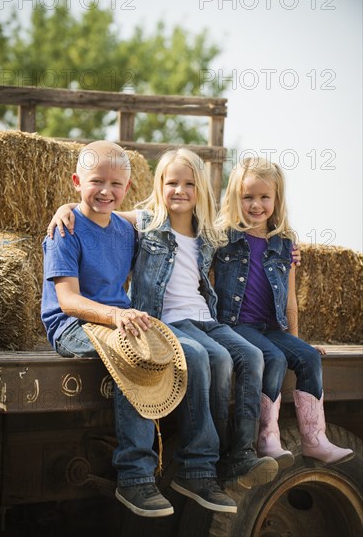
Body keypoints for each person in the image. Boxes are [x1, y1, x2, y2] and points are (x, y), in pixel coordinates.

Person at [48, 147, 280, 492]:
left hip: (189, 318)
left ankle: (237, 456)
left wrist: (286, 245)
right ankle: (165, 471)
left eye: (189, 184)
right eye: (172, 183)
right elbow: (97, 218)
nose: (180, 190)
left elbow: (251, 232)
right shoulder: (142, 224)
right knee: (198, 357)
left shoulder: (205, 234)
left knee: (252, 356)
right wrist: (66, 207)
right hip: (147, 320)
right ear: (159, 186)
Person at [214, 156, 354, 466]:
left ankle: (315, 438)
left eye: (264, 197)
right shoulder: (222, 238)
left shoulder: (284, 243)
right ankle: (268, 436)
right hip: (237, 326)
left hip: (272, 327)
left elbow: (290, 300)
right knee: (273, 357)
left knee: (308, 357)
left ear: (277, 199)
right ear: (235, 197)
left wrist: (297, 340)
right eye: (247, 196)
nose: (256, 205)